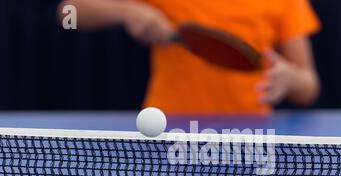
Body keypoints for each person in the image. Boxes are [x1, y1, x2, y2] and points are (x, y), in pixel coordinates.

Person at [58, 0, 321, 115]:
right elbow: (68, 12)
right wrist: (128, 11)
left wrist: (291, 79)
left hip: (247, 137)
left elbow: (309, 86)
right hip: (168, 132)